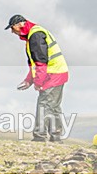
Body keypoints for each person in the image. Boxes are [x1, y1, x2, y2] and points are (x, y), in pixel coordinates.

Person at [5, 14, 69, 142]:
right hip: (58, 72)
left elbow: (41, 62)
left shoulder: (35, 35)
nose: (13, 32)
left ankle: (40, 137)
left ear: (20, 24)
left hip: (52, 74)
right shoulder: (33, 35)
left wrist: (38, 82)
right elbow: (34, 64)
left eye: (13, 28)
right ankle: (56, 137)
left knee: (44, 105)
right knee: (53, 106)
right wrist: (29, 80)